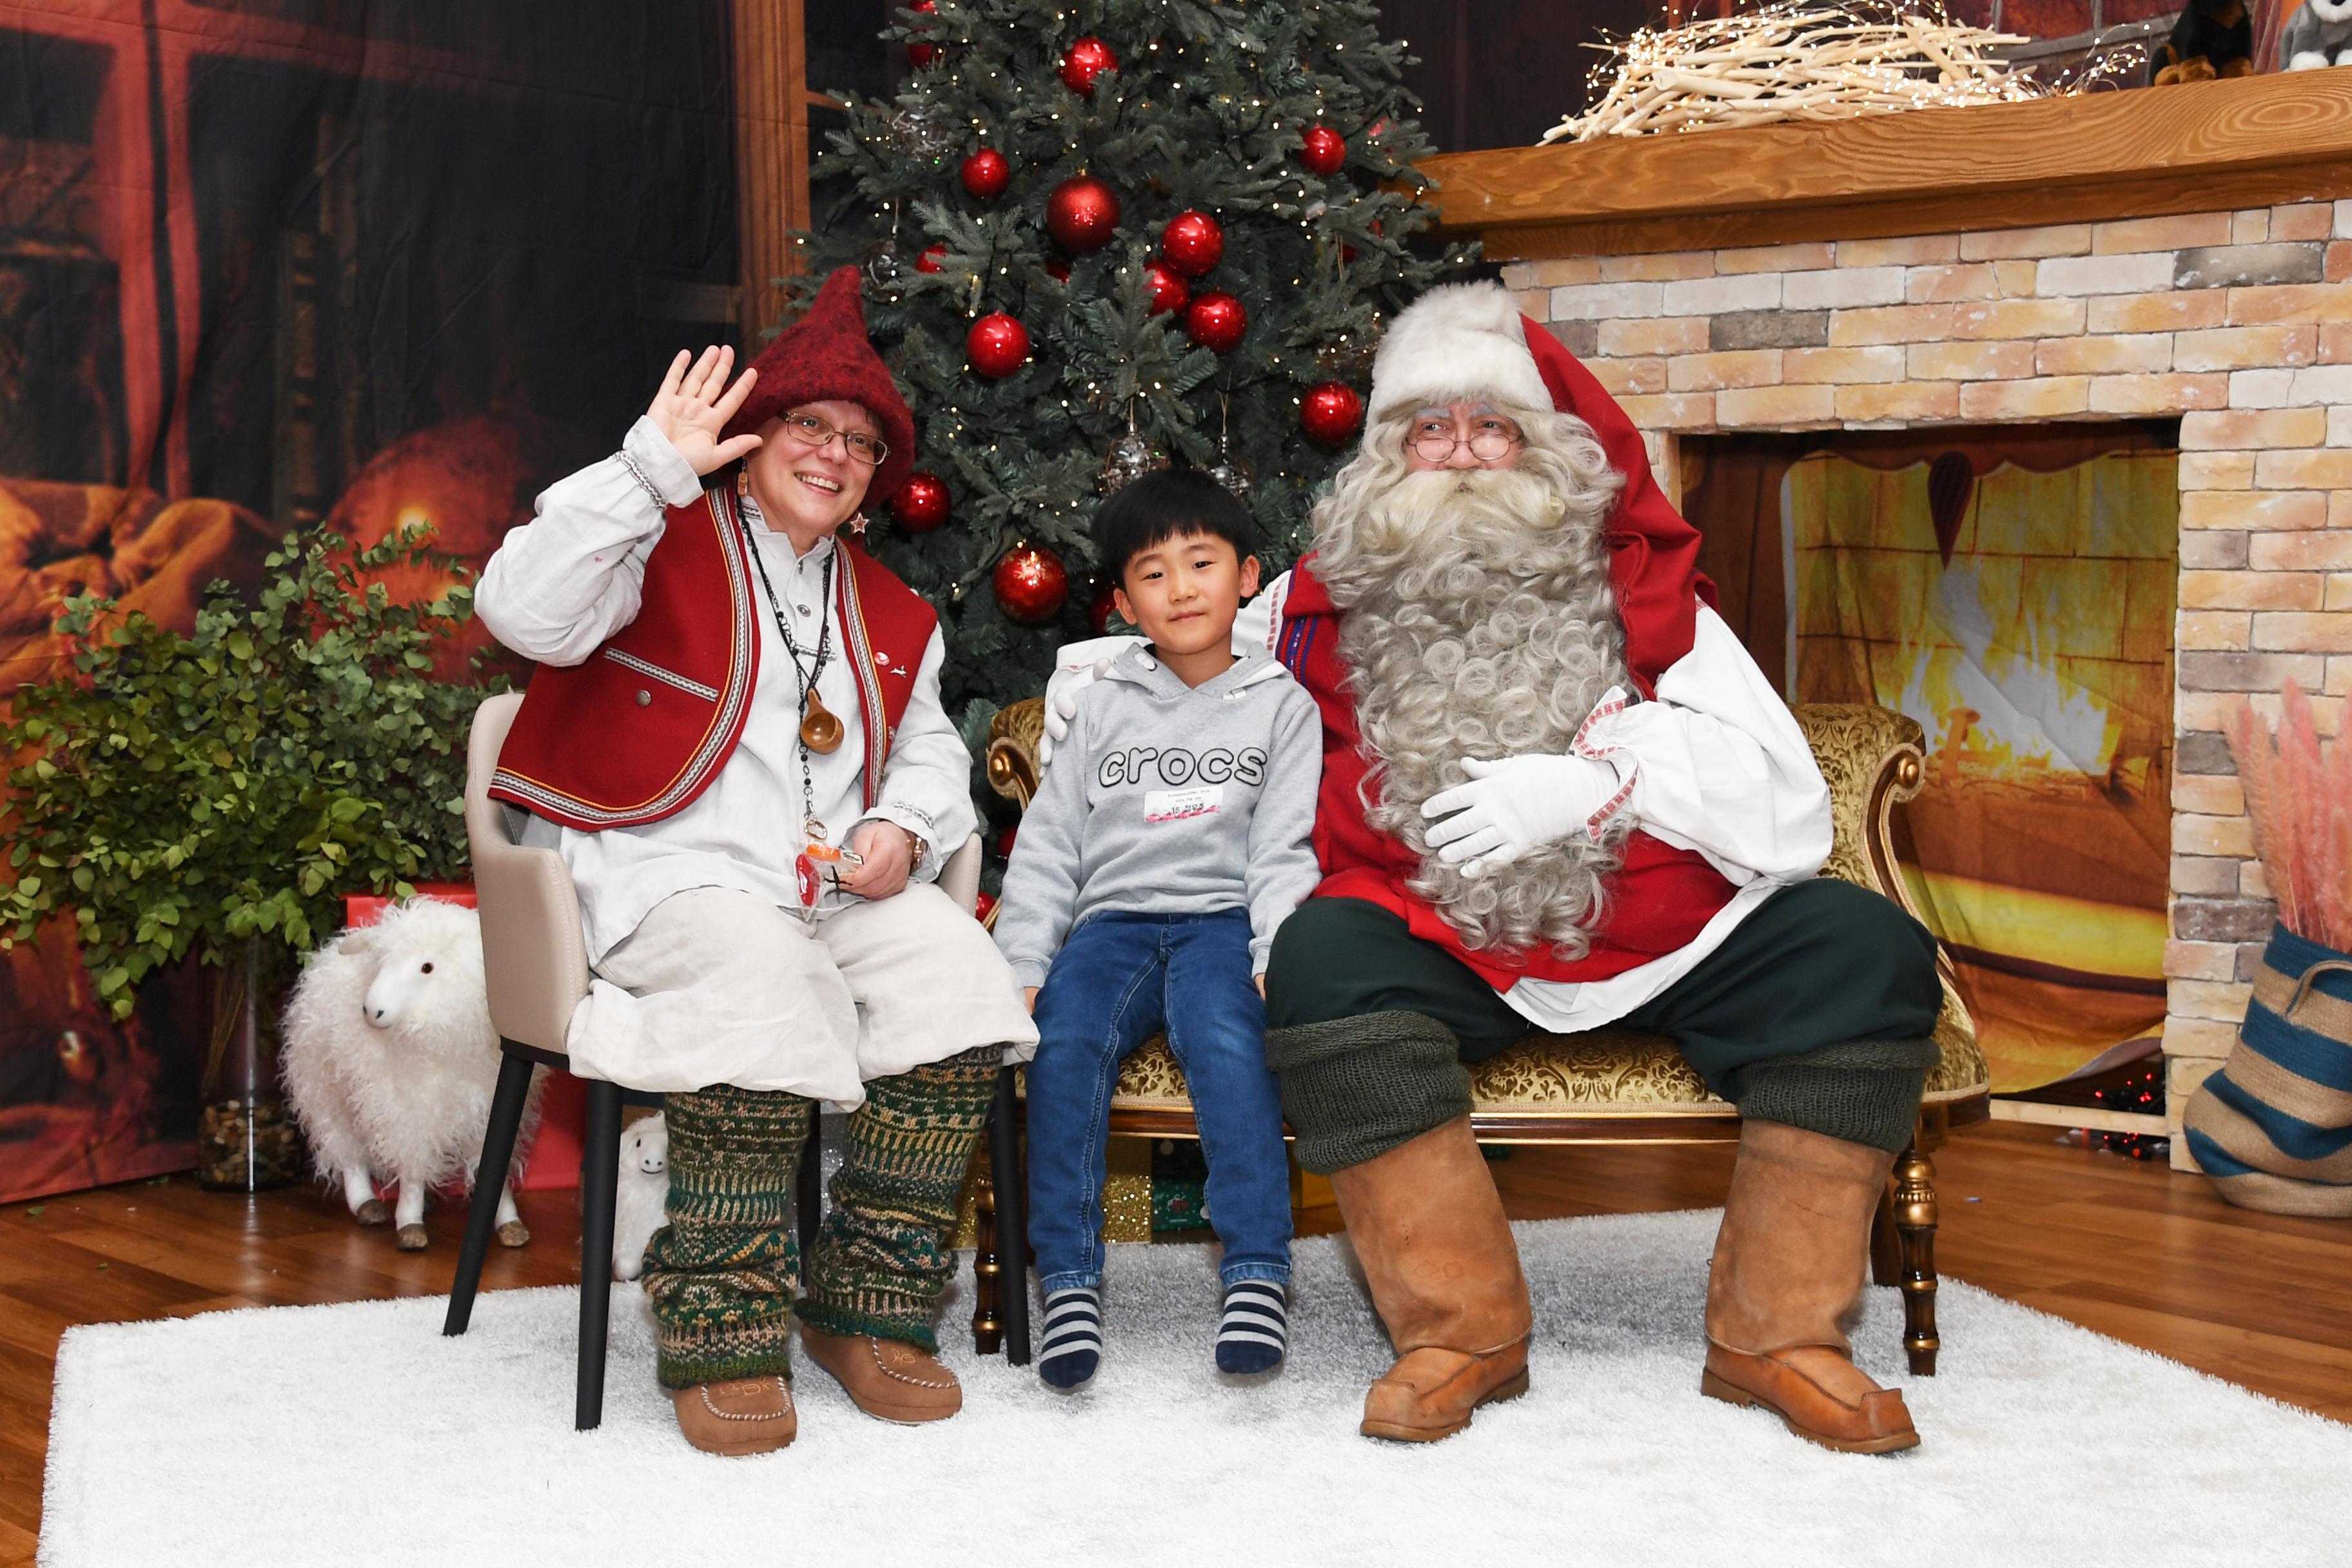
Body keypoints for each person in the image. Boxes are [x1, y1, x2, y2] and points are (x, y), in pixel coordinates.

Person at [1043, 280, 1943, 1455]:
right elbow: (1190, 643)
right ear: (1386, 456)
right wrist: (1101, 673)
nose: (1461, 454)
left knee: (1865, 948)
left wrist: (1600, 784)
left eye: (1492, 425)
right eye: (1430, 427)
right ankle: (1460, 1331)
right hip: (1437, 939)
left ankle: (1777, 1335)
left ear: (1547, 449)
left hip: (1652, 934)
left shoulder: (1645, 593)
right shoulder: (1316, 608)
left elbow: (1788, 807)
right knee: (1320, 955)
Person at [475, 268, 1037, 1456]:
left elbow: (931, 753)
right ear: (753, 434)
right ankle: (722, 1322)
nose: (834, 456)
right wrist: (647, 469)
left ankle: (866, 1303)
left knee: (959, 978)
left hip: (825, 891)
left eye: (861, 443)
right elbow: (522, 613)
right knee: (758, 980)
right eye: (809, 426)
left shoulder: (892, 610)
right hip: (662, 876)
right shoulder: (651, 537)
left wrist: (910, 827)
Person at [994, 470, 1320, 1390]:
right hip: (1114, 926)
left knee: (1227, 1043)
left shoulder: (1281, 704)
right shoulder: (1102, 704)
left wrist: (1273, 951)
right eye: (1152, 573)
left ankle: (1256, 1271)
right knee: (1064, 1044)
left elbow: (1284, 848)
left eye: (1202, 563)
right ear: (1125, 601)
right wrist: (1021, 962)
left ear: (1247, 577)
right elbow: (1051, 843)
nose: (1180, 588)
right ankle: (1067, 1281)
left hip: (1221, 920)